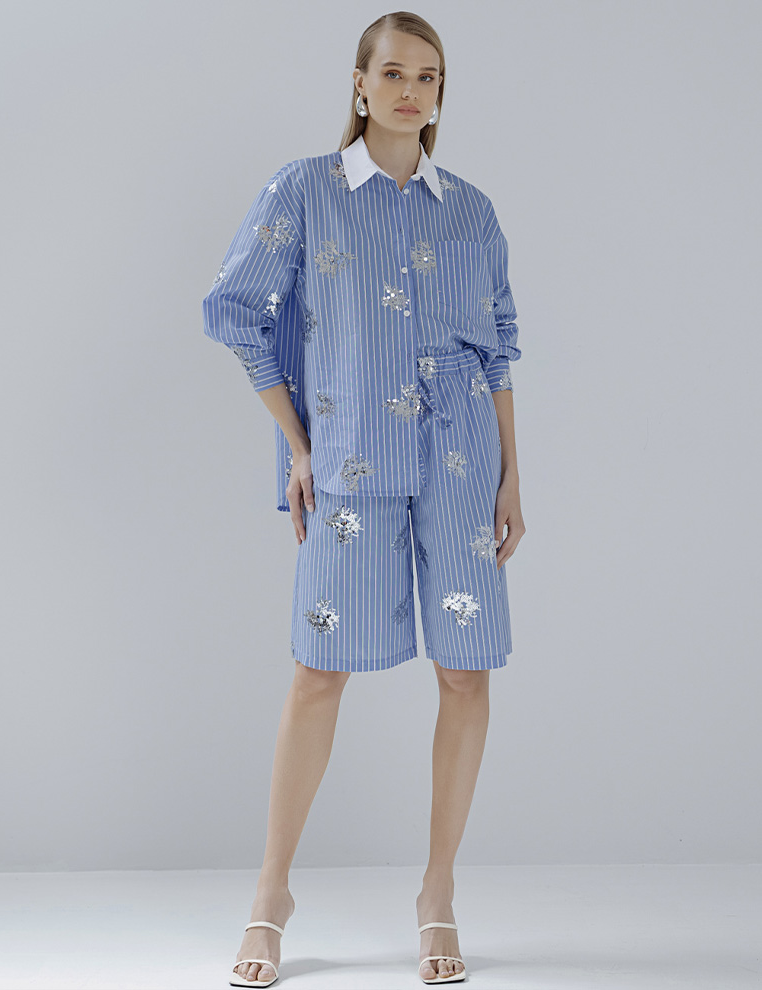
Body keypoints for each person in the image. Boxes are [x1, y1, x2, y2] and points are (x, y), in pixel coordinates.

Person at [202, 10, 525, 987]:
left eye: (428, 77)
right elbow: (234, 311)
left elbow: (498, 347)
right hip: (349, 465)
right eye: (392, 73)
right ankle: (271, 895)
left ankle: (437, 892)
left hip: (461, 465)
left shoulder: (470, 210)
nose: (410, 91)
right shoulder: (304, 191)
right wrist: (297, 444)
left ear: (440, 93)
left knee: (465, 673)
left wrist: (512, 473)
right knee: (317, 674)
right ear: (358, 83)